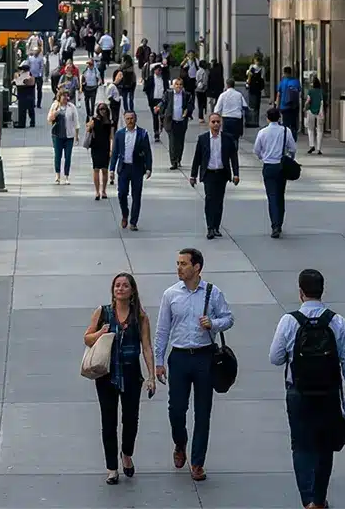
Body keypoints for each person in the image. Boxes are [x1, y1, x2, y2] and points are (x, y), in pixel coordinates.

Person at [269, 268, 345, 509]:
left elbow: (275, 357)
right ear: (322, 291)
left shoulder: (289, 321)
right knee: (324, 446)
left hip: (298, 392)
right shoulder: (337, 321)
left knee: (300, 445)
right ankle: (319, 499)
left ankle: (307, 499)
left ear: (300, 292)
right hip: (328, 392)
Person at [154, 247, 234, 482]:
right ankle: (180, 443)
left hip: (204, 356)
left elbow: (228, 318)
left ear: (197, 267)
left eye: (183, 264)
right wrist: (159, 362)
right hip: (179, 357)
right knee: (176, 409)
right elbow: (162, 331)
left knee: (203, 411)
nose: (179, 268)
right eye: (178, 263)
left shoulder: (212, 292)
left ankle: (197, 462)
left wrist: (214, 323)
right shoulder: (170, 294)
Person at [84, 272, 156, 484]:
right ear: (112, 290)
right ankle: (112, 468)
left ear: (132, 290)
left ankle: (126, 454)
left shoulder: (140, 317)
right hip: (106, 374)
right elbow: (87, 338)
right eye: (117, 285)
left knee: (131, 419)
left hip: (131, 373)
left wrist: (151, 375)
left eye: (125, 285)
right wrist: (101, 333)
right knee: (108, 421)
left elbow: (147, 347)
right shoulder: (103, 312)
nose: (120, 289)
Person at [191, 112, 241, 240]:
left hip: (222, 173)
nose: (216, 124)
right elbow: (197, 158)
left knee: (219, 201)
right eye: (213, 122)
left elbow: (233, 157)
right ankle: (210, 227)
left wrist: (236, 174)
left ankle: (216, 227)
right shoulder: (203, 139)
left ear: (221, 123)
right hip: (209, 174)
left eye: (218, 122)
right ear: (209, 123)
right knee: (209, 200)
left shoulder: (227, 138)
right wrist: (193, 175)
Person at [254, 104, 298, 238]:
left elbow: (257, 149)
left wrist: (263, 157)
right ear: (279, 118)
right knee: (280, 195)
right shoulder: (285, 131)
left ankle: (274, 225)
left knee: (271, 196)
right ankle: (279, 222)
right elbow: (293, 148)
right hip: (281, 166)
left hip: (268, 166)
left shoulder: (262, 132)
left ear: (267, 118)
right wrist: (289, 158)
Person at [109, 109, 153, 230]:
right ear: (124, 119)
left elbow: (148, 152)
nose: (130, 121)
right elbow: (115, 153)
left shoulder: (142, 134)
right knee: (122, 194)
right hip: (123, 168)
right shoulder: (120, 134)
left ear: (135, 119)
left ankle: (133, 222)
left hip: (137, 169)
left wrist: (149, 168)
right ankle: (125, 214)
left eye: (132, 118)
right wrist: (111, 169)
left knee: (136, 195)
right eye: (127, 119)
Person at [49, 89, 79, 185]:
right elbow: (49, 119)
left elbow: (76, 122)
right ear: (59, 97)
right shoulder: (55, 106)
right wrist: (56, 112)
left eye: (67, 96)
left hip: (69, 136)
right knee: (57, 156)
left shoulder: (71, 107)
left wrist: (76, 135)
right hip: (57, 135)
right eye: (64, 96)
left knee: (68, 156)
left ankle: (66, 176)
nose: (66, 98)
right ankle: (57, 175)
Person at [87, 101, 113, 200]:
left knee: (105, 170)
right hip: (96, 147)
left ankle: (104, 190)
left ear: (107, 111)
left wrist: (111, 149)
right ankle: (97, 191)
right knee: (96, 169)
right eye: (100, 109)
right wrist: (89, 125)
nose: (102, 111)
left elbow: (111, 137)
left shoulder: (110, 122)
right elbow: (88, 129)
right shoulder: (94, 120)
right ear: (98, 110)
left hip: (105, 147)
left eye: (104, 109)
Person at [165, 78, 191, 169]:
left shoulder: (186, 95)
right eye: (177, 84)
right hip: (171, 121)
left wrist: (187, 111)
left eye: (180, 84)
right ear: (173, 86)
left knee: (180, 142)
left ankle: (178, 159)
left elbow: (190, 105)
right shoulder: (168, 94)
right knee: (172, 142)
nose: (178, 86)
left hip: (182, 121)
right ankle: (173, 161)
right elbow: (164, 104)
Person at [215, 77, 247, 146]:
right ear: (234, 85)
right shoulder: (239, 95)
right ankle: (235, 152)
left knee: (226, 137)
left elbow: (217, 109)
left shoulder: (223, 95)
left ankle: (227, 152)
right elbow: (245, 106)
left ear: (227, 85)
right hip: (237, 119)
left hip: (226, 119)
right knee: (235, 138)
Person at [276, 64, 304, 137]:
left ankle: (286, 138)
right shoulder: (296, 81)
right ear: (291, 72)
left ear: (284, 73)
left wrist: (277, 107)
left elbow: (279, 95)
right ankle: (293, 137)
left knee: (286, 124)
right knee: (294, 124)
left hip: (284, 106)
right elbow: (300, 93)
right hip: (294, 106)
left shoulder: (282, 82)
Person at [305, 75, 325, 156]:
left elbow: (308, 101)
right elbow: (323, 102)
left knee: (310, 129)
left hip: (311, 111)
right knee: (320, 130)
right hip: (320, 112)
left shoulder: (310, 91)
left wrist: (305, 108)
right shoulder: (321, 91)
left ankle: (311, 145)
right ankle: (319, 149)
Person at [245, 53, 266, 127]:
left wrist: (248, 83)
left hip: (254, 88)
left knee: (254, 106)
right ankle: (254, 121)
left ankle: (254, 121)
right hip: (255, 88)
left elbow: (262, 78)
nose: (257, 62)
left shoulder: (260, 68)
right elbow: (249, 77)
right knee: (254, 106)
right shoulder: (253, 67)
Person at [27, 45, 47, 110]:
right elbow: (28, 66)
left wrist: (40, 75)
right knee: (32, 90)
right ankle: (32, 103)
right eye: (34, 50)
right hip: (32, 76)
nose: (35, 52)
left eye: (37, 51)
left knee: (39, 90)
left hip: (38, 76)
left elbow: (42, 67)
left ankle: (39, 104)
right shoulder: (30, 58)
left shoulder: (41, 58)